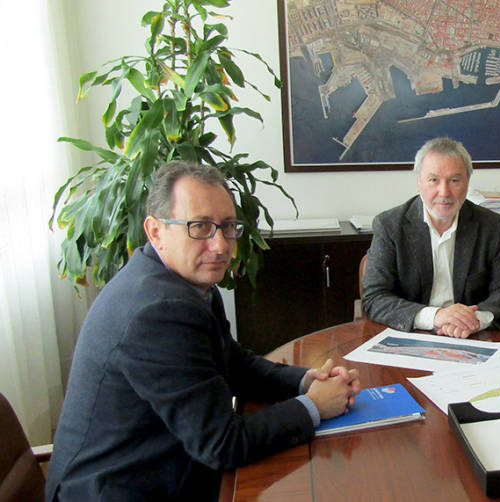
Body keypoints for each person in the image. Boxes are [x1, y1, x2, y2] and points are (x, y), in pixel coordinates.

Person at [45, 161, 361, 502]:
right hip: (126, 488)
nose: (221, 245)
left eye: (227, 226)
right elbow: (222, 444)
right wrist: (312, 406)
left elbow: (232, 361)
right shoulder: (158, 310)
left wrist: (305, 381)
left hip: (165, 463)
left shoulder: (179, 281)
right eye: (200, 227)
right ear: (155, 231)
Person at [362, 137, 500, 338]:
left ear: (467, 183)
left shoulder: (490, 226)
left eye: (454, 180)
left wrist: (475, 320)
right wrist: (435, 316)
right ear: (419, 183)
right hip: (411, 336)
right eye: (433, 180)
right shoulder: (390, 225)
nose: (444, 192)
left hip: (470, 336)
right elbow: (375, 298)